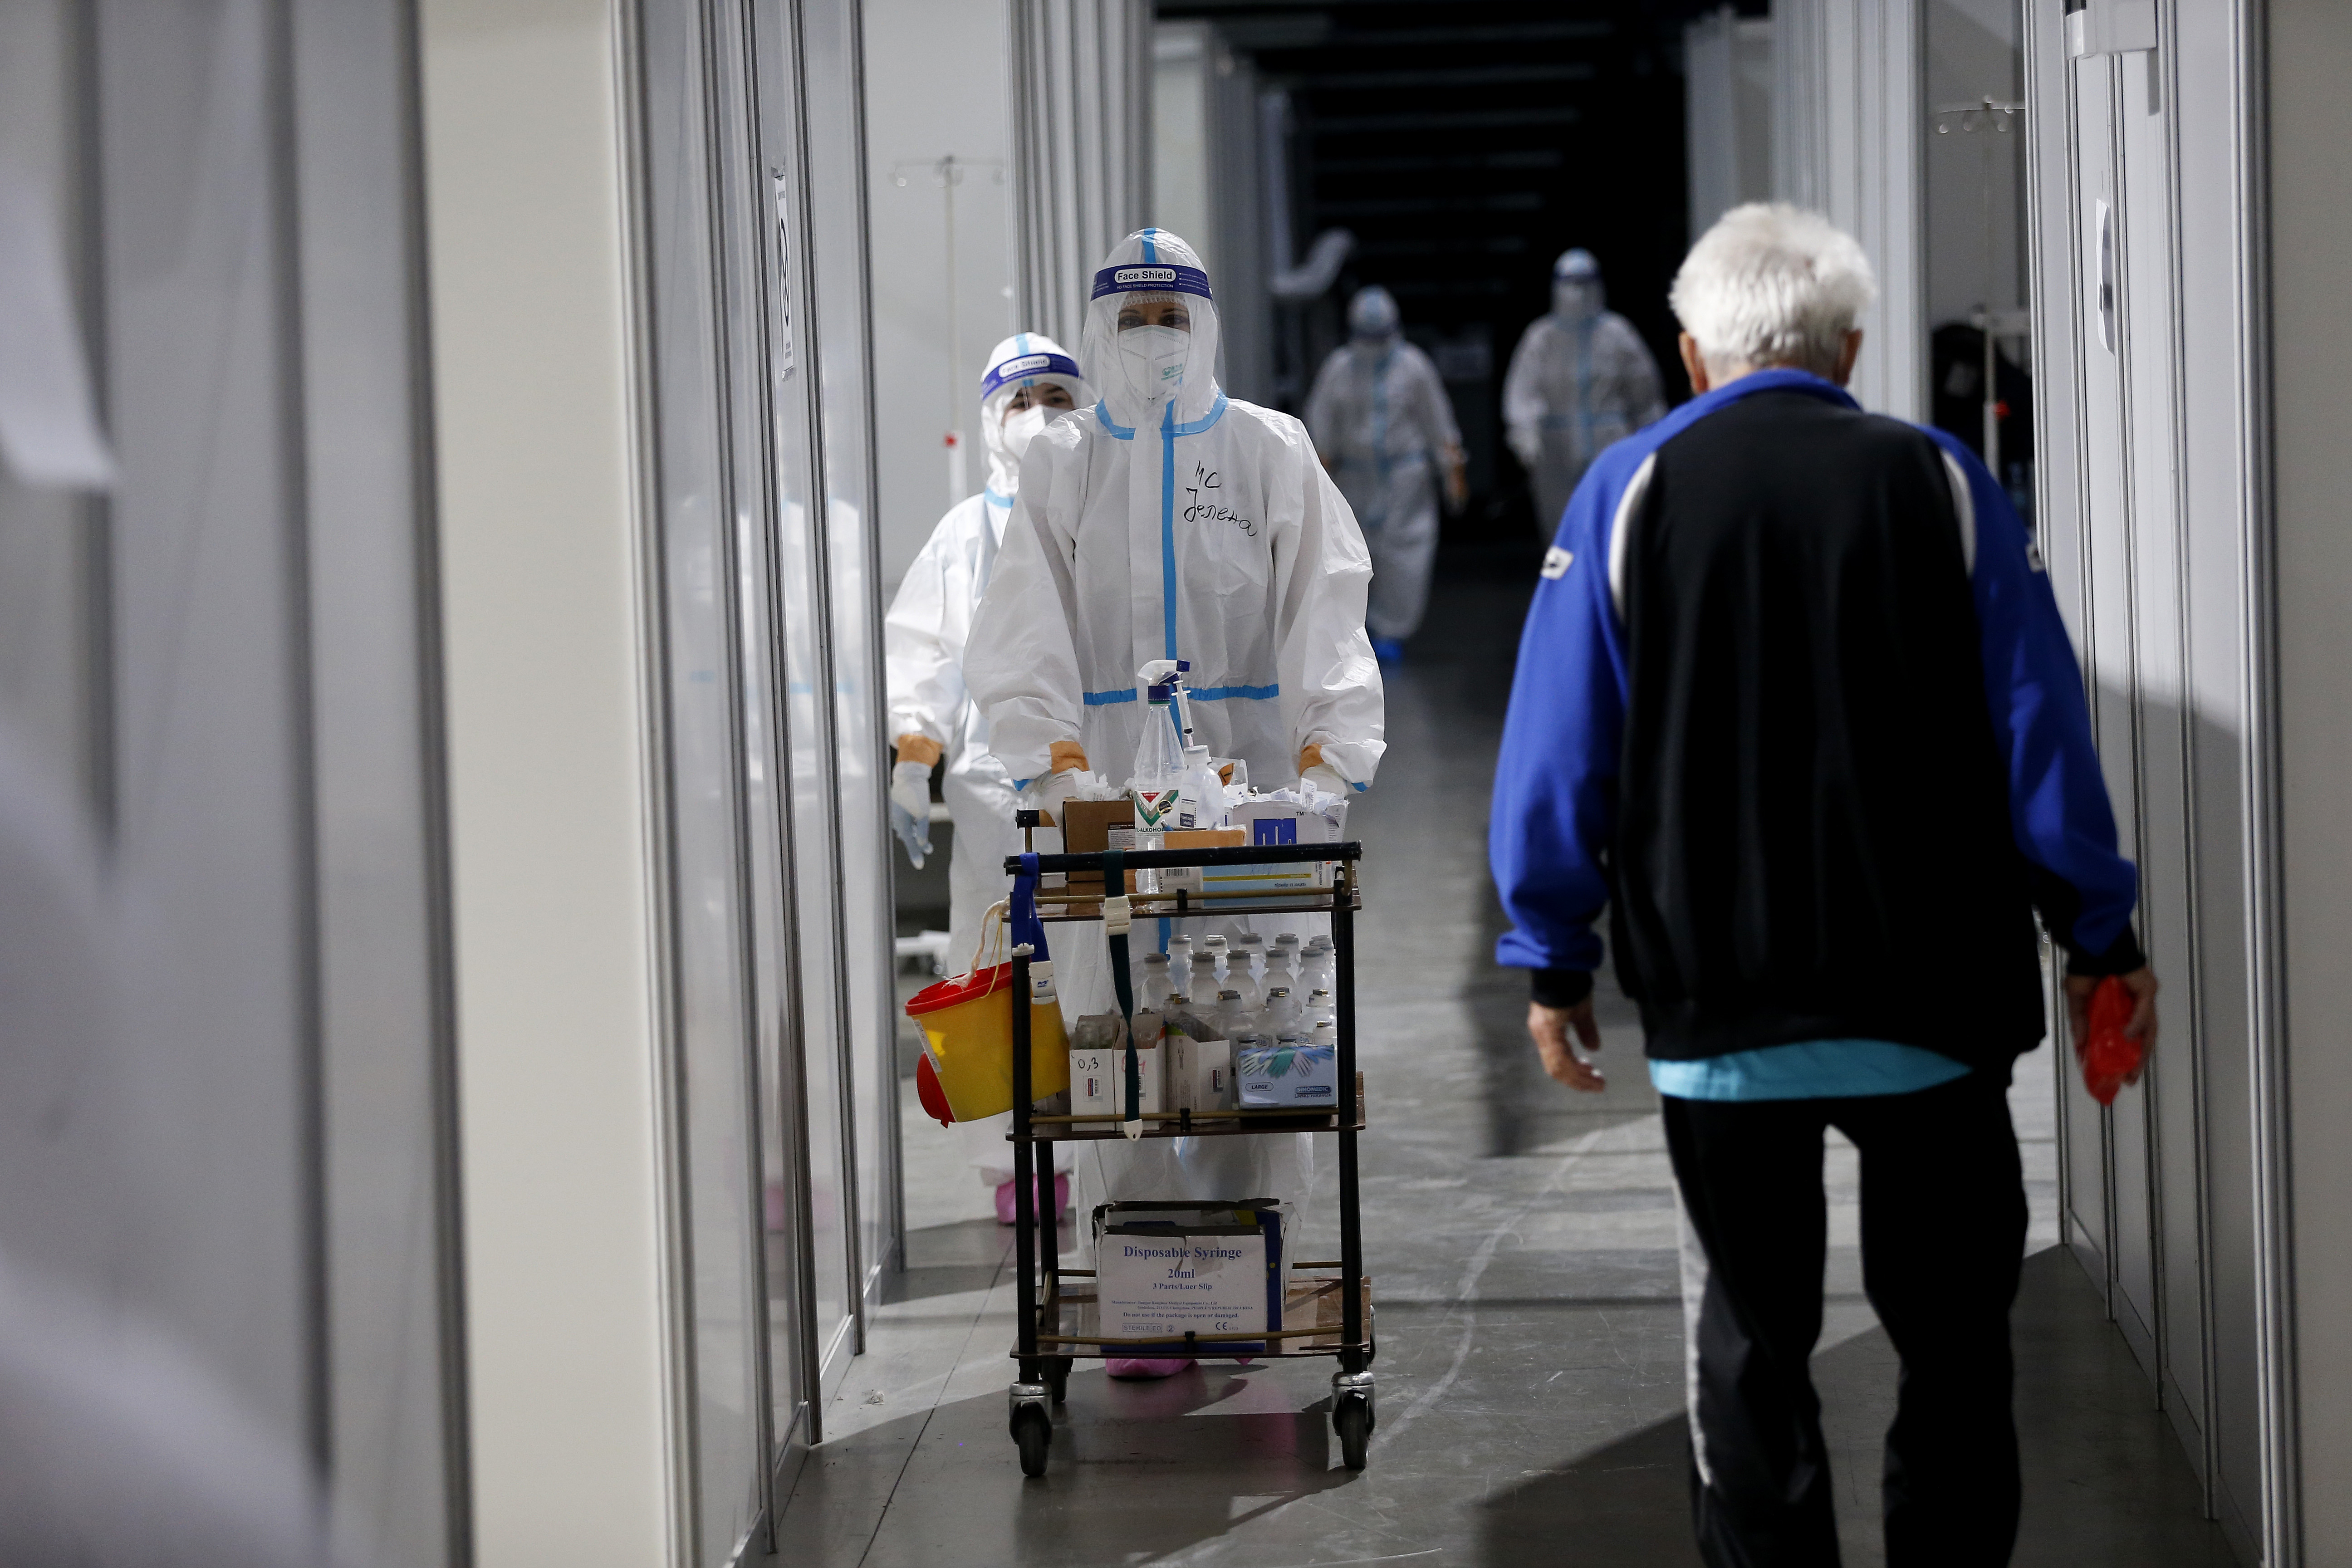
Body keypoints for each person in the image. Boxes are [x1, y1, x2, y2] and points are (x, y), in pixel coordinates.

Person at [1487, 203, 2160, 1565]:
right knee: (1958, 1350)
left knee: (1748, 1352)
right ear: (1849, 349)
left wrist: (1551, 955)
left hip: (1724, 1016)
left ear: (1690, 355)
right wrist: (2100, 931)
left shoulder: (1628, 490)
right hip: (1936, 1008)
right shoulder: (1947, 484)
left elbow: (1558, 754)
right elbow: (2042, 730)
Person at [968, 227, 1384, 1377]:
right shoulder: (1060, 461)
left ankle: (1254, 1264)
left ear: (1205, 324)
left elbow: (1326, 603)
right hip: (1098, 793)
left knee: (1263, 1024)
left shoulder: (1267, 449)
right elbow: (1022, 620)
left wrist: (1324, 756)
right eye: (1130, 318)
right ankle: (1141, 1284)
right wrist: (1051, 760)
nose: (1152, 339)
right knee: (1114, 1043)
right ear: (1099, 327)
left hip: (1249, 800)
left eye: (1172, 316)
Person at [885, 333, 1092, 1224]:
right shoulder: (963, 536)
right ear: (989, 423)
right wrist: (913, 758)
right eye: (1019, 402)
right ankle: (1014, 1162)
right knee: (1000, 974)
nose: (1039, 416)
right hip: (989, 797)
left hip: (1096, 784)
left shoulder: (1109, 515)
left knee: (1103, 962)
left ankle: (1115, 1145)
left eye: (1055, 396)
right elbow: (924, 651)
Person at [1303, 285, 1465, 664]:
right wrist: (1317, 475)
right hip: (1353, 476)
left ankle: (1393, 632)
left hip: (1405, 478)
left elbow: (1437, 422)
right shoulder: (1339, 368)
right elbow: (1321, 421)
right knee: (1348, 554)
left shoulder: (1413, 366)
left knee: (1404, 554)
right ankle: (1356, 631)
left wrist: (1453, 474)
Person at [1501, 247, 1666, 536]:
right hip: (1556, 449)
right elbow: (1522, 393)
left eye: (1584, 284)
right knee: (1563, 530)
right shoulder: (1541, 338)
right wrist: (1524, 435)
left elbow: (1645, 393)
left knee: (1614, 525)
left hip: (1610, 441)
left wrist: (1653, 438)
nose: (1576, 294)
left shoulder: (1617, 333)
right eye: (1569, 285)